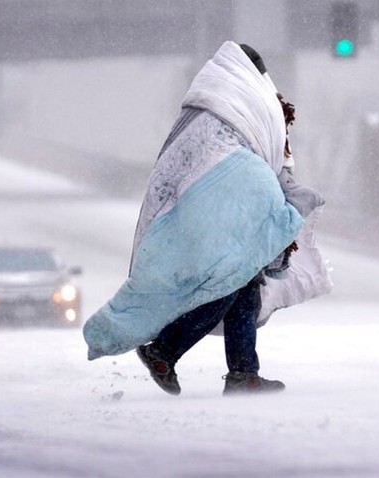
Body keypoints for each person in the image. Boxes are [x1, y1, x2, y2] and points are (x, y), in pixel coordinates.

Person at [83, 41, 330, 395]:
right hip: (219, 208)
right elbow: (263, 159)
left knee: (243, 284)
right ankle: (164, 350)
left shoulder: (207, 107)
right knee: (229, 281)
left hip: (200, 208)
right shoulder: (248, 104)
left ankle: (243, 372)